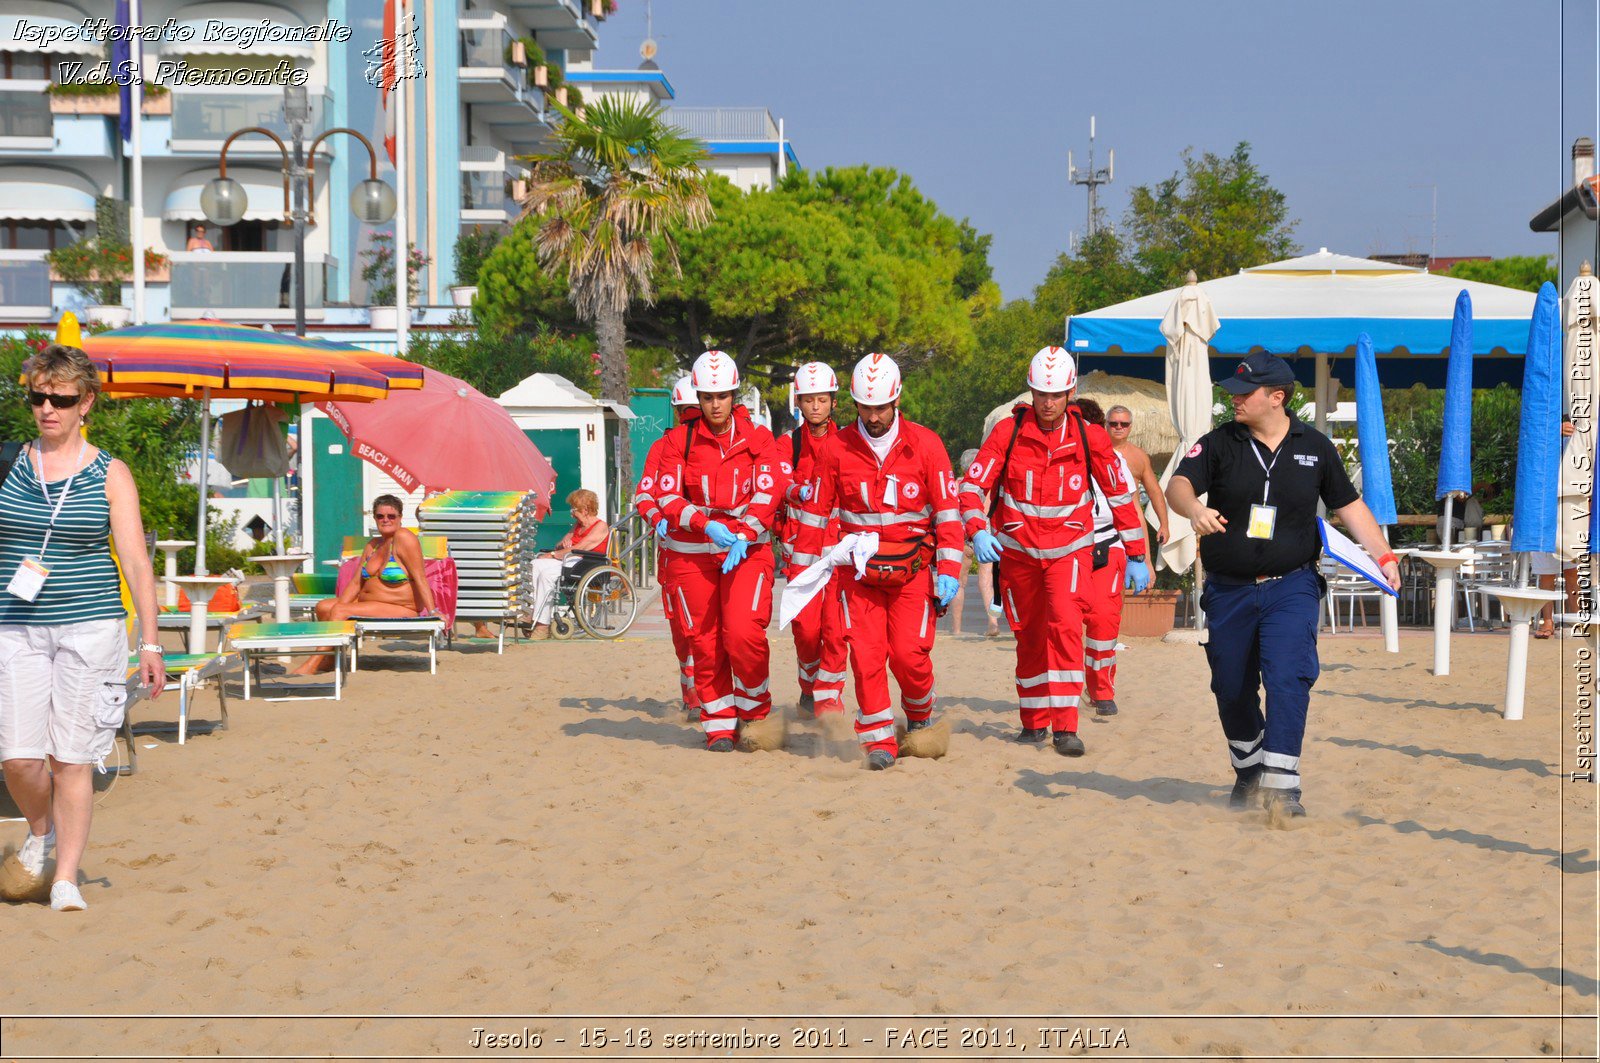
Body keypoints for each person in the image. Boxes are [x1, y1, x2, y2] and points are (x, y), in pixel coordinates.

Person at [1166, 352, 1400, 819]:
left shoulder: (1314, 446)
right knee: (1230, 687)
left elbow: (1350, 507)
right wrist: (1193, 510)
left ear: (1277, 398)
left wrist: (1385, 555)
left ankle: (1282, 786)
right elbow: (1178, 486)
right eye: (1232, 391)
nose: (1232, 398)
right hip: (1229, 589)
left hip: (1291, 585)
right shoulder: (1219, 443)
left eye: (1243, 392)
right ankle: (1250, 769)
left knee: (1287, 677)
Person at [0, 343, 166, 912]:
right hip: (15, 626)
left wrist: (150, 641)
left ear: (86, 402)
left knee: (71, 757)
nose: (48, 408)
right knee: (19, 759)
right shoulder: (8, 463)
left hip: (91, 627)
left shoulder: (109, 473)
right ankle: (43, 831)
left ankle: (65, 876)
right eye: (38, 397)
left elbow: (137, 562)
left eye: (61, 399)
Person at [961, 347, 1150, 757]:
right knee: (1029, 637)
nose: (1048, 403)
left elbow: (1120, 494)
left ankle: (1065, 727)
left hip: (1069, 553)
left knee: (1065, 627)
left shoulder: (1091, 436)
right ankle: (1033, 723)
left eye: (1056, 395)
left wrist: (1136, 553)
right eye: (1041, 394)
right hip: (1018, 554)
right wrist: (976, 529)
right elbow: (972, 487)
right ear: (1031, 392)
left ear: (1069, 394)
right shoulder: (1006, 434)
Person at [796, 352, 964, 770]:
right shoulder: (836, 448)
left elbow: (947, 513)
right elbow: (816, 515)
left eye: (881, 407)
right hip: (860, 576)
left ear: (897, 400)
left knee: (909, 656)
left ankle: (921, 712)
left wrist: (950, 572)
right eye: (865, 407)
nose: (873, 416)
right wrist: (802, 574)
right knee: (867, 658)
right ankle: (879, 742)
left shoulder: (926, 444)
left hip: (911, 574)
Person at [639, 351, 787, 751]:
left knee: (742, 633)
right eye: (707, 397)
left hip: (746, 551)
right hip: (692, 554)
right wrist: (706, 525)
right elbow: (666, 494)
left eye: (722, 396)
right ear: (698, 398)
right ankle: (719, 722)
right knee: (702, 639)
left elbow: (769, 491)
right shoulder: (676, 441)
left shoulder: (758, 438)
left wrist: (742, 534)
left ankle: (755, 712)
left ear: (734, 395)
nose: (715, 405)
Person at [294, 495, 437, 674]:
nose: (385, 520)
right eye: (380, 516)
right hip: (370, 604)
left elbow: (421, 577)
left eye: (391, 516)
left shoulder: (404, 538)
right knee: (324, 607)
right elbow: (356, 582)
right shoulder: (374, 545)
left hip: (402, 606)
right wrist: (341, 604)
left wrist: (433, 611)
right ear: (375, 518)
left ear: (400, 517)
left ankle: (312, 664)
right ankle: (329, 660)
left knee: (339, 611)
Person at [778, 362, 849, 722]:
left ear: (834, 402)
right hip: (801, 558)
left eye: (822, 399)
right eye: (809, 400)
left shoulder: (850, 443)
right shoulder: (787, 444)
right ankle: (809, 686)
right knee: (806, 631)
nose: (816, 406)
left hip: (840, 558)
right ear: (799, 403)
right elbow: (776, 484)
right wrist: (795, 490)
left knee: (836, 633)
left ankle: (829, 703)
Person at [635, 376, 702, 712]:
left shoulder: (721, 444)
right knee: (684, 633)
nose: (689, 418)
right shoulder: (663, 447)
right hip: (676, 554)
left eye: (694, 410)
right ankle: (694, 698)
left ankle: (718, 699)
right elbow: (645, 494)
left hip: (715, 554)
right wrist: (658, 518)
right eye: (685, 412)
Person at [1074, 398, 1139, 717]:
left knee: (1103, 623)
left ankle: (1100, 690)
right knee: (1065, 625)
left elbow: (1131, 508)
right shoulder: (1054, 456)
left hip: (1107, 546)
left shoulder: (1115, 460)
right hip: (1065, 549)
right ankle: (1065, 690)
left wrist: (1140, 556)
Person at [528, 489, 609, 640]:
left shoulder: (600, 527)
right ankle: (533, 611)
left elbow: (582, 548)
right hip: (570, 559)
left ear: (585, 510)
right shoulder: (577, 526)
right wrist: (562, 545)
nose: (571, 513)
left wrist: (553, 554)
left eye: (574, 509)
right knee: (535, 563)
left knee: (547, 575)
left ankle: (542, 625)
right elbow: (559, 544)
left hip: (585, 563)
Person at [949, 448, 1000, 638]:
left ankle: (956, 628)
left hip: (963, 535)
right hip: (985, 533)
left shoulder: (957, 485)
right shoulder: (988, 488)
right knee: (988, 584)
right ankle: (993, 622)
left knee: (959, 583)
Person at [1105, 404, 1170, 546]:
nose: (1119, 427)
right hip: (1102, 523)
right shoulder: (1094, 452)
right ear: (1106, 425)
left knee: (1144, 564)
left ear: (1131, 426)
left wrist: (1164, 525)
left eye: (1124, 424)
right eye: (1113, 423)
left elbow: (1154, 491)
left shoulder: (1138, 456)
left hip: (1133, 520)